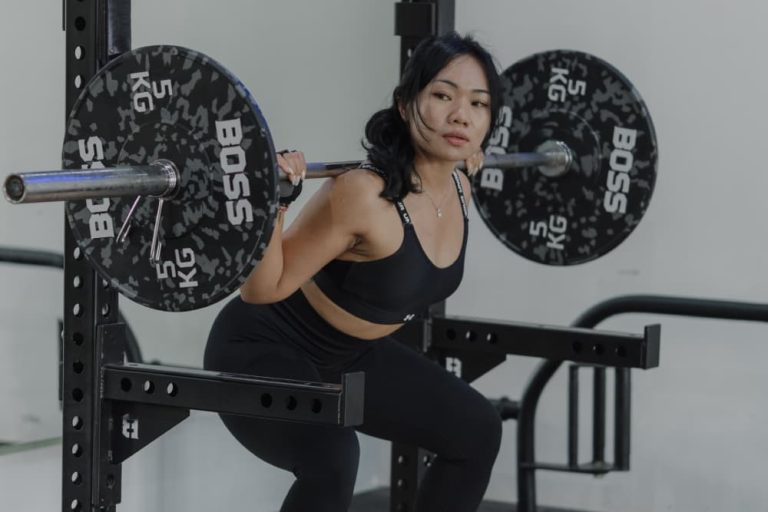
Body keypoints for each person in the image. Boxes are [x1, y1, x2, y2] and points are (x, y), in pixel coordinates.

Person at [204, 32, 503, 512]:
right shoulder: (363, 195)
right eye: (443, 96)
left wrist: (462, 157)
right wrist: (274, 202)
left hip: (352, 355)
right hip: (264, 347)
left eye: (478, 104)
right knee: (334, 457)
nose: (461, 115)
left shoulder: (461, 188)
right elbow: (263, 290)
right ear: (406, 106)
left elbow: (454, 160)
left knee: (476, 429)